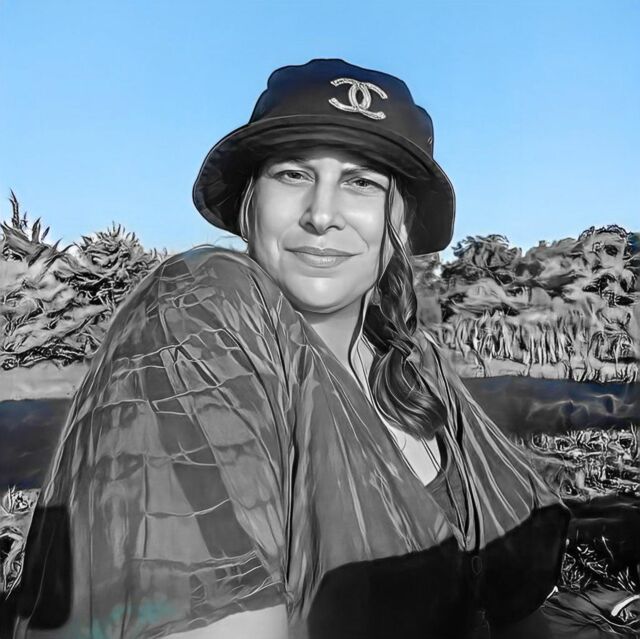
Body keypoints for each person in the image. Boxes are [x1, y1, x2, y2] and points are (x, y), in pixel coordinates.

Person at [13, 59, 570, 639]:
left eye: (362, 182)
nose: (322, 215)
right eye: (293, 174)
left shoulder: (413, 363)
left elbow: (519, 605)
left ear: (402, 224)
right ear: (250, 203)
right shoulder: (200, 308)